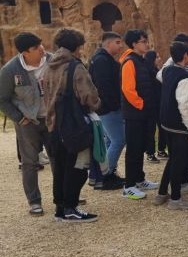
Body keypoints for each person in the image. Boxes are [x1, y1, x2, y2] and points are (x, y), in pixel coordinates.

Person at [43, 28, 100, 222]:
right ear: (77, 46)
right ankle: (71, 208)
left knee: (59, 168)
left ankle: (60, 207)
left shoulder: (49, 65)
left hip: (52, 125)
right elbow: (89, 96)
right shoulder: (75, 66)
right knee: (78, 167)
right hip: (73, 126)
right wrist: (97, 104)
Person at [0, 32, 52, 215]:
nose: (42, 49)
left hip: (52, 119)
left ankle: (64, 197)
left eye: (41, 44)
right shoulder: (10, 70)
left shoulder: (52, 61)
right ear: (25, 53)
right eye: (36, 48)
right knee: (30, 163)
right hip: (28, 122)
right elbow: (2, 99)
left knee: (58, 158)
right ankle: (34, 202)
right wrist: (19, 118)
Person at [154, 41, 188, 210]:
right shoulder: (184, 76)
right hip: (179, 125)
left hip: (165, 122)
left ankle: (162, 193)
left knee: (173, 159)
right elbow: (184, 105)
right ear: (185, 55)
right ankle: (176, 199)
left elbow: (158, 76)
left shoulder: (166, 70)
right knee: (178, 161)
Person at [119, 29, 160, 200]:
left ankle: (139, 179)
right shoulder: (129, 62)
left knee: (141, 146)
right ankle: (129, 186)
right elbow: (128, 89)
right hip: (135, 114)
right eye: (143, 41)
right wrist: (141, 105)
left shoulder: (141, 61)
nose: (147, 44)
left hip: (144, 113)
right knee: (134, 149)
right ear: (134, 44)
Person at [87, 32, 126, 190]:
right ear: (108, 44)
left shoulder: (102, 59)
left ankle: (105, 174)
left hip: (106, 107)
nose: (120, 45)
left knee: (110, 141)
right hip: (107, 109)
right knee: (119, 139)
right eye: (117, 42)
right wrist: (115, 105)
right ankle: (104, 176)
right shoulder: (102, 60)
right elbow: (104, 87)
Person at [144, 49, 163, 163]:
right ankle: (150, 153)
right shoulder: (148, 72)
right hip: (151, 105)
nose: (159, 59)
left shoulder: (157, 71)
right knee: (150, 130)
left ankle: (161, 150)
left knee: (162, 128)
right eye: (157, 57)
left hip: (159, 104)